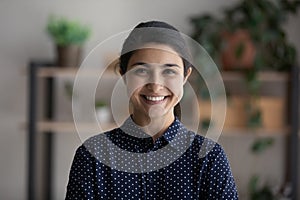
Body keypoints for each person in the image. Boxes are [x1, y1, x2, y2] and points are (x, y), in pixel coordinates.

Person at [66, 21, 238, 199]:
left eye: (169, 71)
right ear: (123, 75)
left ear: (185, 76)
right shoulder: (92, 157)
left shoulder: (209, 158)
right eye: (141, 71)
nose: (155, 86)